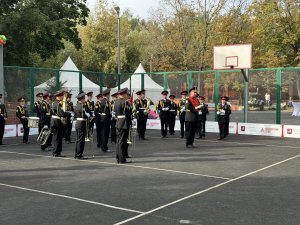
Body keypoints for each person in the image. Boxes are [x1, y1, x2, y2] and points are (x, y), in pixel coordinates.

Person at [113, 88, 132, 163]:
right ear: (124, 94)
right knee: (122, 141)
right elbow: (128, 114)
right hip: (124, 123)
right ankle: (121, 159)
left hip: (118, 122)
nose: (127, 95)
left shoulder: (116, 102)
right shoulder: (125, 102)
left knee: (118, 141)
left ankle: (118, 157)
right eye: (126, 94)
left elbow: (115, 113)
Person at [51, 90, 70, 157]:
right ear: (59, 96)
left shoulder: (55, 103)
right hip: (56, 122)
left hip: (55, 121)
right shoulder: (58, 103)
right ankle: (56, 152)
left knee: (58, 137)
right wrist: (68, 113)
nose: (63, 97)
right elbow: (61, 113)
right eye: (62, 96)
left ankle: (57, 152)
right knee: (57, 138)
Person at [74, 92, 89, 159]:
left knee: (78, 139)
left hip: (77, 122)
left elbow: (75, 115)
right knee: (81, 140)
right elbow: (83, 115)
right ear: (82, 99)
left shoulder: (76, 105)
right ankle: (79, 154)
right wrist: (87, 115)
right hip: (81, 123)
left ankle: (76, 153)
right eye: (84, 98)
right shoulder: (82, 106)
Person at [99, 88, 112, 153]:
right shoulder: (106, 101)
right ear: (108, 94)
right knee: (105, 134)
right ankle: (104, 147)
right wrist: (111, 113)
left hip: (103, 118)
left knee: (104, 133)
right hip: (106, 118)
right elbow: (106, 111)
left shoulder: (103, 101)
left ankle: (104, 146)